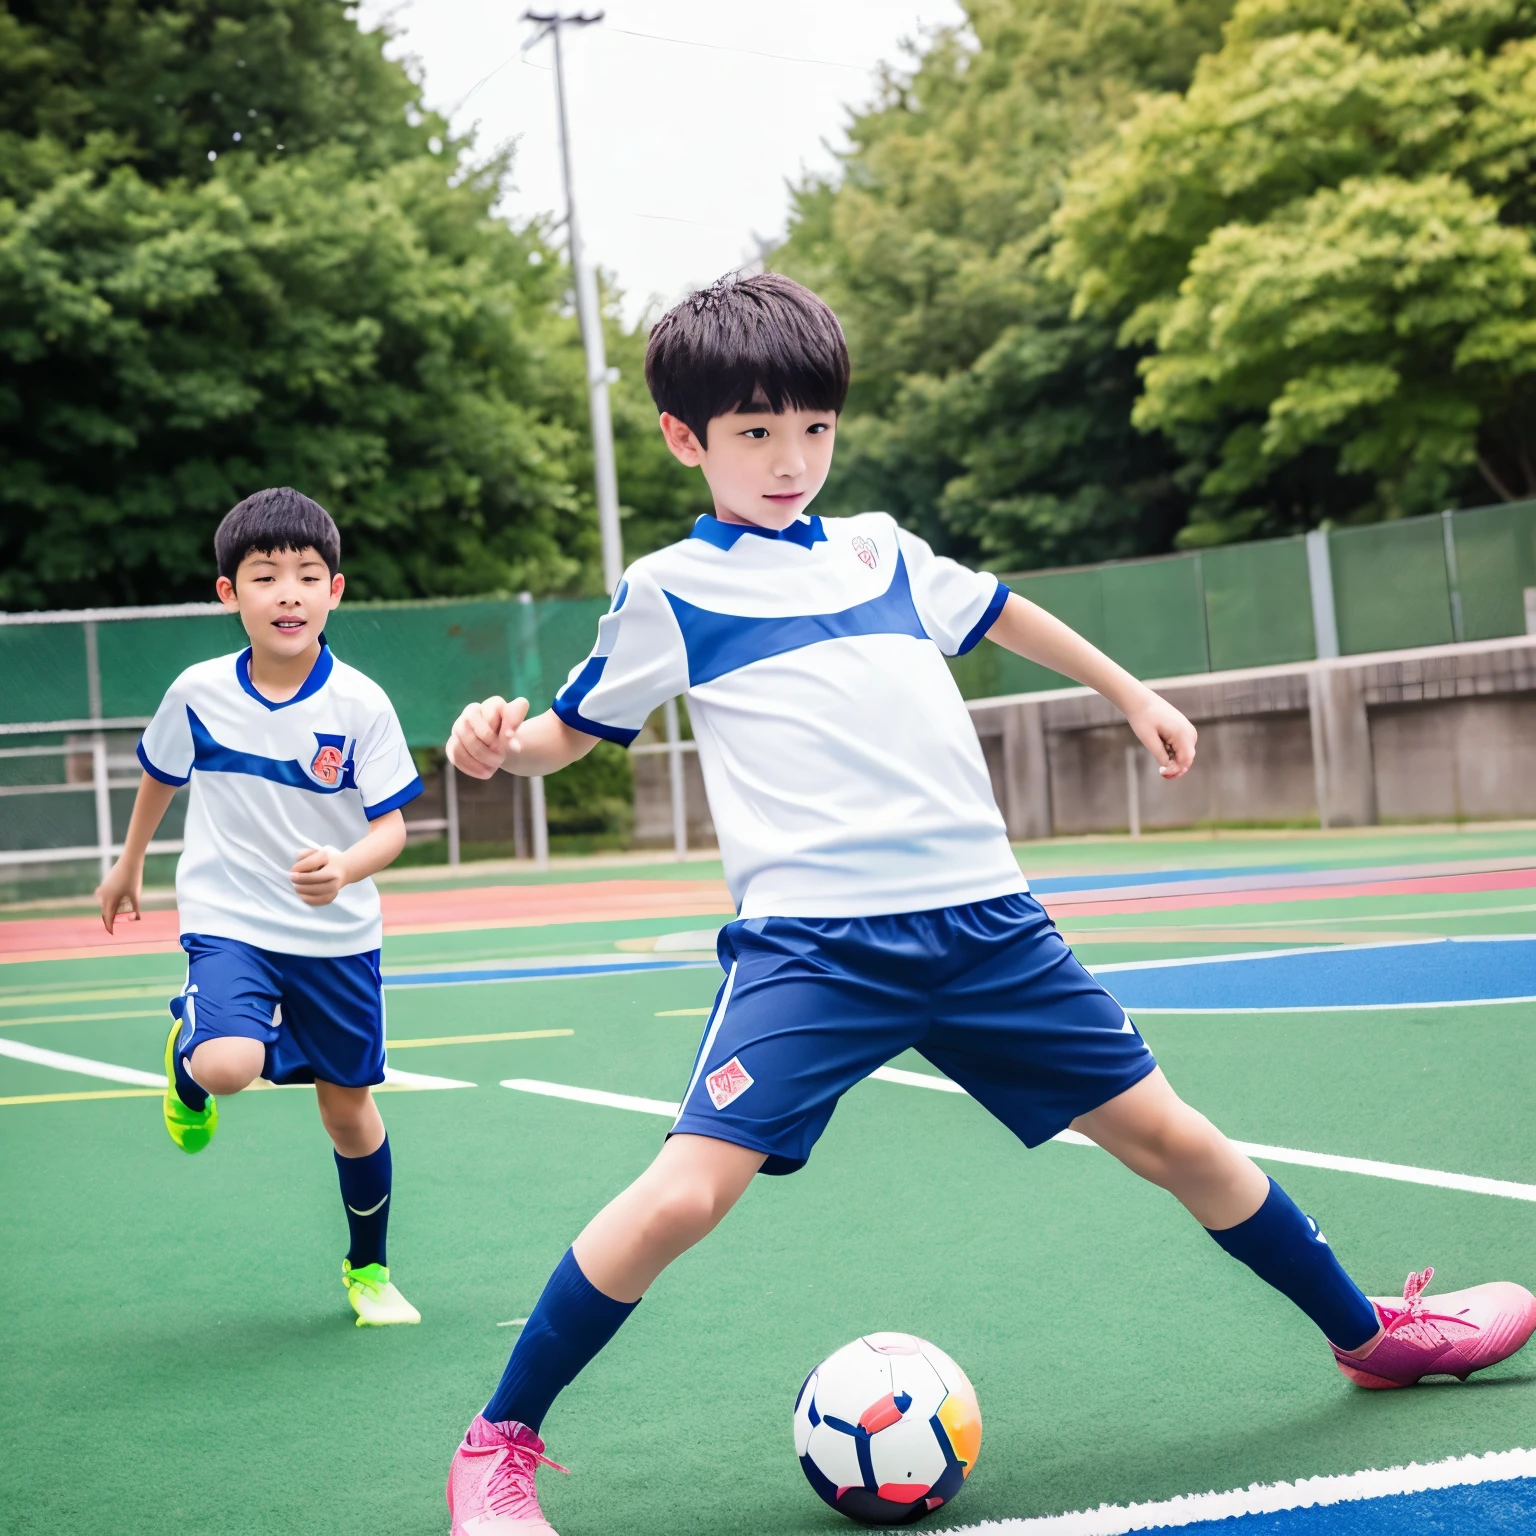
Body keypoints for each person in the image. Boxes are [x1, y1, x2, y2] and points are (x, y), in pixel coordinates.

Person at [440, 274, 1536, 1532]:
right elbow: (573, 732)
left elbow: (1006, 610)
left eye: (815, 428)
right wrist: (495, 745)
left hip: (989, 928)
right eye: (754, 434)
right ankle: (500, 1441)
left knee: (1176, 1140)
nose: (791, 458)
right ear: (687, 440)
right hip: (816, 950)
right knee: (686, 1194)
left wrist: (1131, 691)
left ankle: (1370, 1336)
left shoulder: (882, 550)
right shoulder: (672, 589)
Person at [96, 487, 425, 1328]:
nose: (288, 592)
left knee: (346, 1110)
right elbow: (161, 777)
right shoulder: (199, 692)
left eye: (307, 576)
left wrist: (345, 867)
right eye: (266, 576)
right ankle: (191, 1055)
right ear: (227, 594)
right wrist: (127, 863)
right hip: (230, 916)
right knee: (229, 1066)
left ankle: (368, 1270)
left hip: (339, 935)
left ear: (335, 592)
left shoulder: (361, 705)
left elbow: (391, 829)